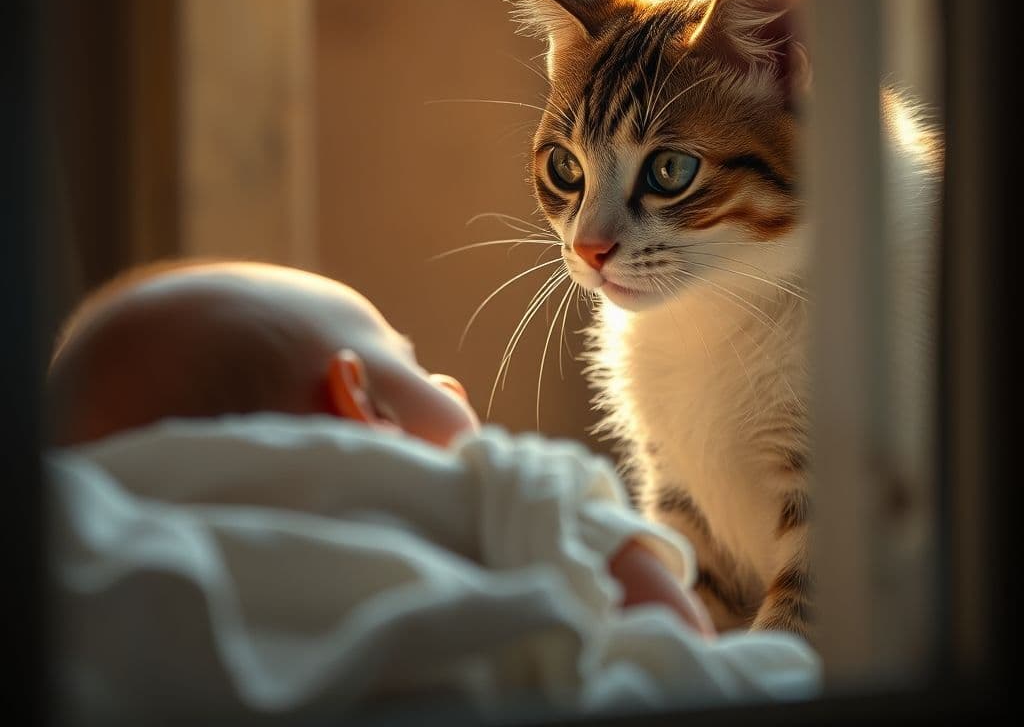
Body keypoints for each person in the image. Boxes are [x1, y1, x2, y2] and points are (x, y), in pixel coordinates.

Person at [48, 260, 819, 722]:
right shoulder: (487, 488)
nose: (446, 381)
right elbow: (678, 633)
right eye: (411, 365)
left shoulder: (106, 525)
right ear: (360, 404)